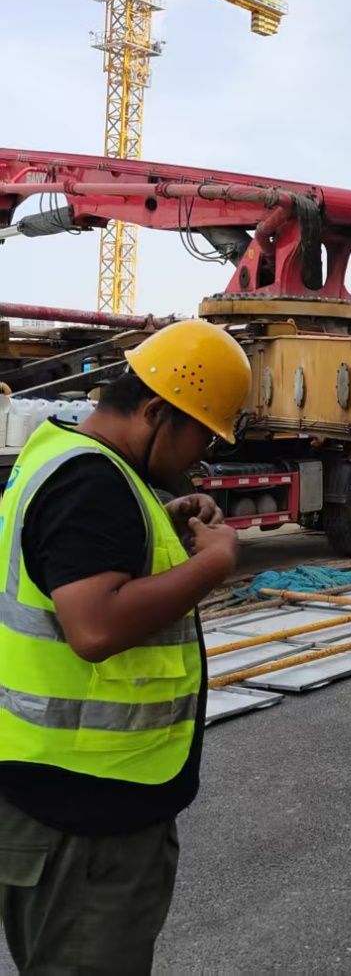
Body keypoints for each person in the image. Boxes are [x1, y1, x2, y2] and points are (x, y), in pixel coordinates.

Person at [0, 318, 252, 974]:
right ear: (155, 412)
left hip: (52, 794)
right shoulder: (93, 484)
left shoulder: (64, 459)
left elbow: (68, 568)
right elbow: (95, 628)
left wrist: (158, 525)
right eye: (202, 434)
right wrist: (214, 564)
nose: (202, 456)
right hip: (87, 820)